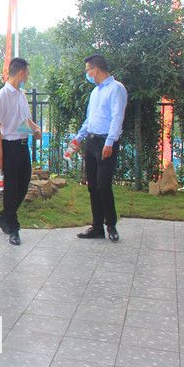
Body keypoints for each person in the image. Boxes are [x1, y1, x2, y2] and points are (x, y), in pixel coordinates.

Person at [68, 54, 128, 242]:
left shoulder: (116, 89)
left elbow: (117, 117)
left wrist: (110, 142)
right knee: (93, 186)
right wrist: (78, 138)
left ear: (96, 69)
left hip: (106, 142)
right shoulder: (95, 92)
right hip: (92, 141)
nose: (87, 74)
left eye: (88, 70)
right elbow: (90, 119)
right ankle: (97, 227)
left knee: (103, 186)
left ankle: (111, 225)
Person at [0, 57, 42, 246]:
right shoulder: (1, 95)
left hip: (22, 145)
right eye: (27, 73)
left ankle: (4, 216)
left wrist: (35, 129)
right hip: (9, 146)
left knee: (23, 184)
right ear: (20, 73)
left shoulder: (21, 94)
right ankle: (13, 227)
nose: (27, 76)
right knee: (11, 188)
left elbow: (24, 120)